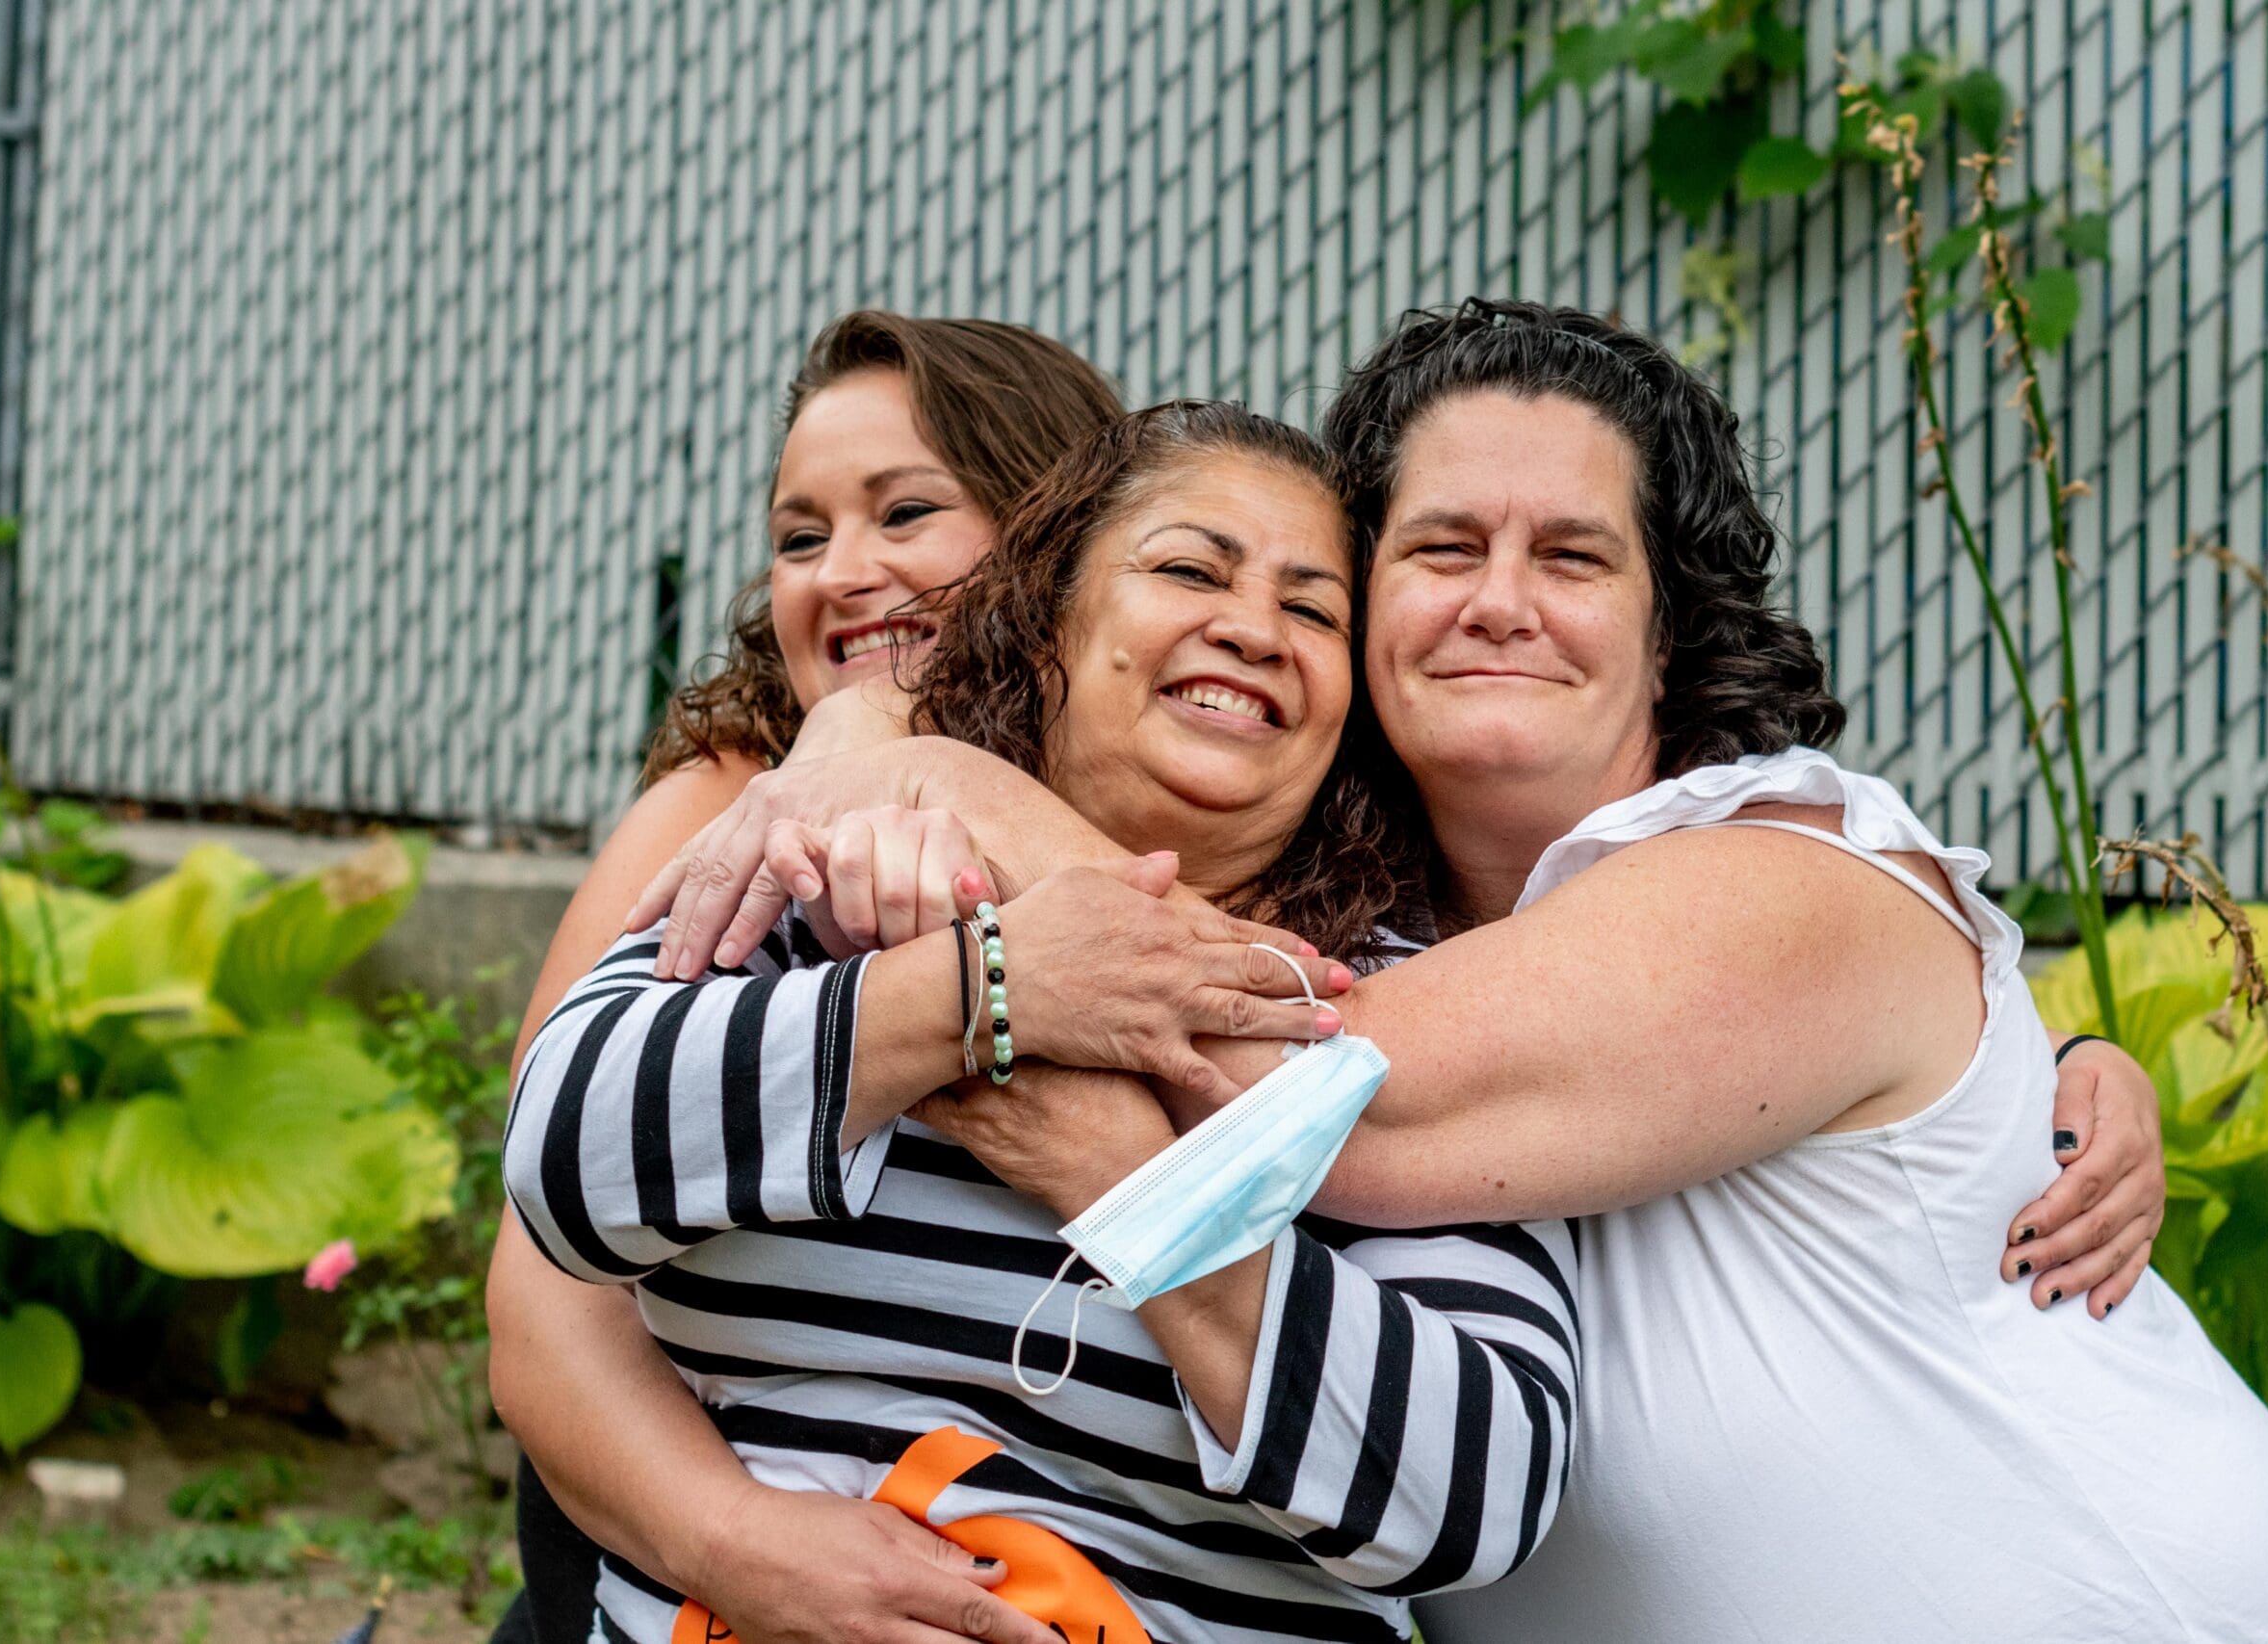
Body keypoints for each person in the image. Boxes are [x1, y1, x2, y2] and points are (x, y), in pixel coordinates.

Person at [646, 300, 2268, 1640]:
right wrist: (872, 722)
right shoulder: (1396, 926)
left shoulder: (1785, 862)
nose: (1499, 602)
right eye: (1441, 549)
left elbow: (1342, 1111)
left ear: (1672, 624)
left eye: (1574, 556)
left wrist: (925, 762)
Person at [504, 402, 1578, 1644]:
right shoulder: (850, 862)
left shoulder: (1382, 1000)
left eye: (1314, 609)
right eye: (1189, 569)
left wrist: (1118, 1170)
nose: (1251, 628)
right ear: (1048, 614)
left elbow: (1470, 1501)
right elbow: (562, 1163)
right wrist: (976, 996)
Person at [483, 309, 1122, 1644]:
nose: (844, 572)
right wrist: (739, 1547)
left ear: (1057, 524)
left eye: (905, 512)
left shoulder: (1145, 781)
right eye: (800, 534)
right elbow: (543, 1277)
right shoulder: (729, 805)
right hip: (680, 1552)